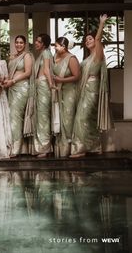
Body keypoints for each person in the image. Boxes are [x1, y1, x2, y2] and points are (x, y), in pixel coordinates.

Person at [70, 14, 113, 158]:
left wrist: (101, 23)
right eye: (86, 40)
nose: (87, 41)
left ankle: (80, 148)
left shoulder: (98, 55)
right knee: (89, 119)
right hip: (84, 90)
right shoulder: (86, 59)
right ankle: (95, 147)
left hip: (93, 91)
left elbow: (98, 38)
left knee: (81, 118)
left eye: (90, 39)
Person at [5, 35, 34, 156]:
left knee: (15, 116)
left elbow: (28, 72)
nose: (18, 45)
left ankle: (15, 148)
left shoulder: (27, 56)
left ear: (25, 44)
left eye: (21, 43)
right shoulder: (13, 57)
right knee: (11, 116)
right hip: (11, 87)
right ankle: (21, 148)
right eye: (16, 42)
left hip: (21, 88)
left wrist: (14, 81)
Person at [52, 37, 80, 158]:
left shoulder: (71, 58)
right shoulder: (55, 57)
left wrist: (61, 80)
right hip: (58, 91)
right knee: (60, 117)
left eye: (57, 46)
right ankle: (60, 148)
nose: (55, 48)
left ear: (64, 47)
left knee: (68, 118)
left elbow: (77, 76)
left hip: (69, 92)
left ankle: (70, 148)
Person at [34, 33, 54, 157]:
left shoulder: (46, 52)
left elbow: (46, 70)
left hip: (44, 85)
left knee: (43, 116)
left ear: (44, 44)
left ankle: (45, 148)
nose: (36, 43)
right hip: (40, 85)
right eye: (36, 40)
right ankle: (43, 146)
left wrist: (51, 84)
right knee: (40, 116)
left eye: (39, 41)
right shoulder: (42, 53)